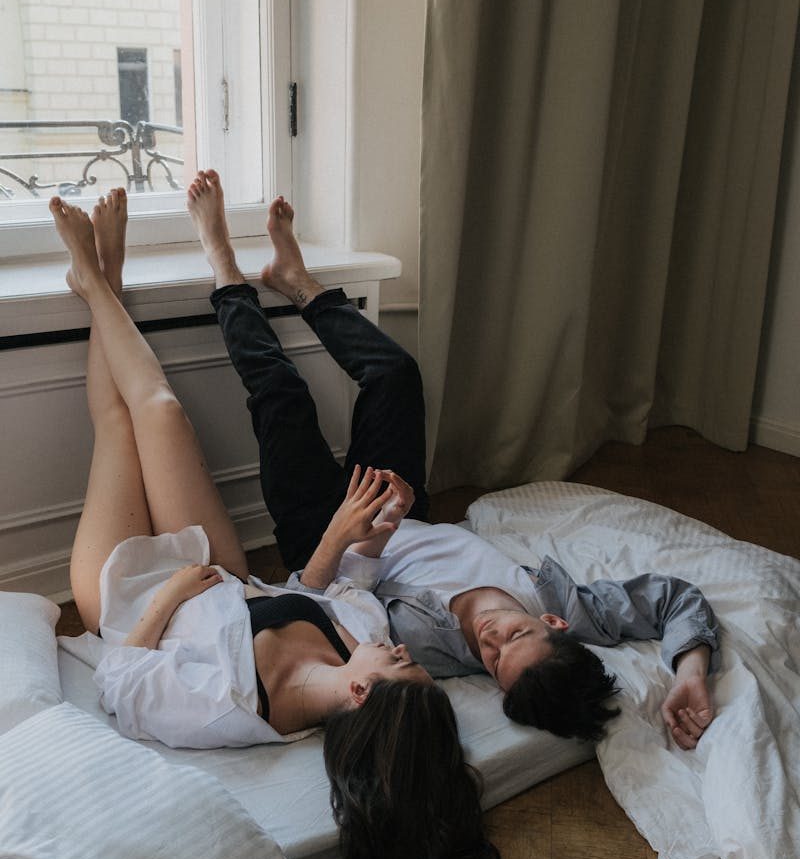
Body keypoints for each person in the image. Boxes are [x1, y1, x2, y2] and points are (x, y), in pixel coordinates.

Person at [53, 185, 504, 859]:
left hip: (126, 593)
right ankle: (106, 280)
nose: (402, 650)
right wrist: (369, 525)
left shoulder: (227, 711)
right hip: (219, 566)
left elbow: (119, 684)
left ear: (362, 691)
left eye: (402, 668)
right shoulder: (354, 644)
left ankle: (96, 280)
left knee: (121, 425)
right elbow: (311, 592)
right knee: (157, 410)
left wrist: (163, 597)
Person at [189, 171, 719, 754]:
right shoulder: (569, 605)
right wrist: (691, 672)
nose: (489, 638)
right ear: (555, 625)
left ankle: (224, 268)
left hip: (331, 539)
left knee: (283, 395)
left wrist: (357, 534)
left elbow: (329, 605)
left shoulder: (427, 648)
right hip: (400, 502)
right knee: (396, 375)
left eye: (492, 661)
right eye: (514, 634)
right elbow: (672, 598)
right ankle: (299, 283)